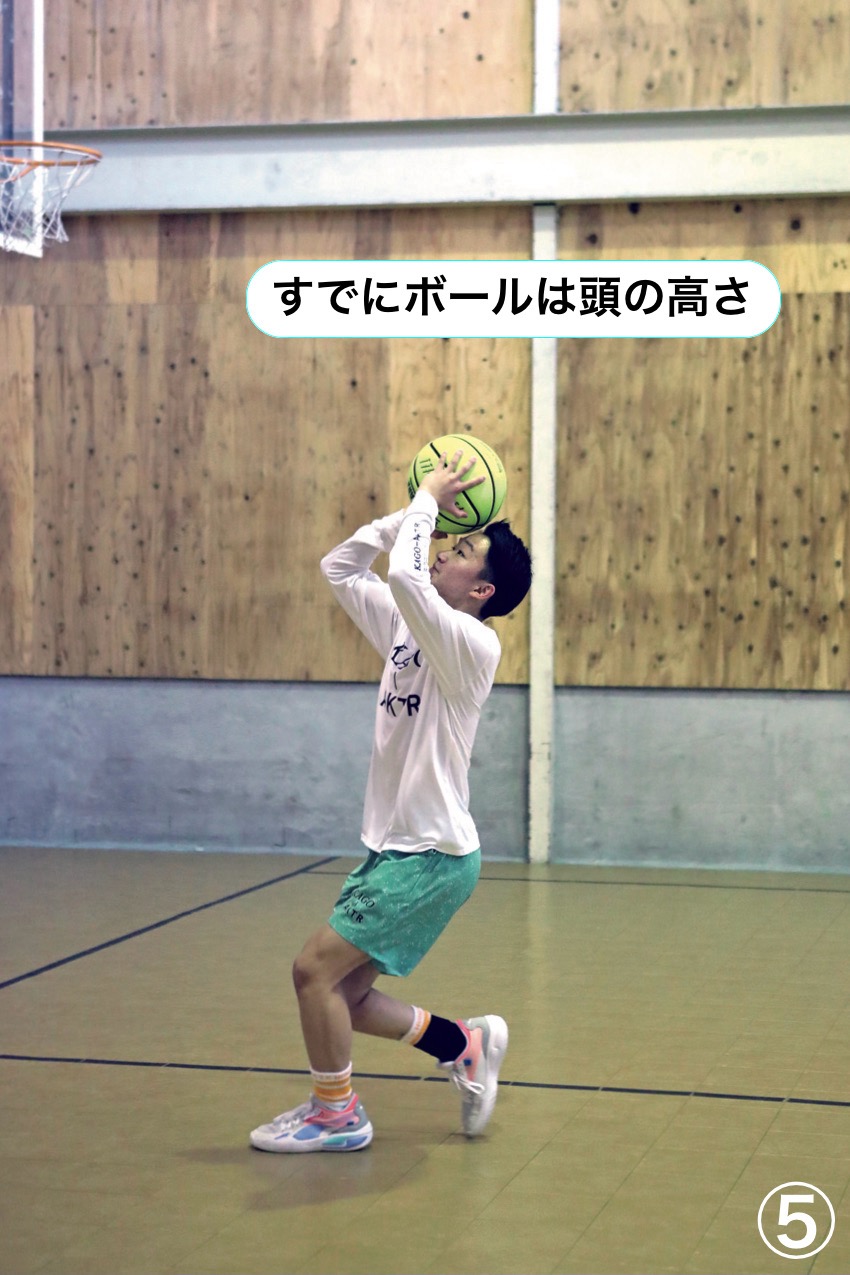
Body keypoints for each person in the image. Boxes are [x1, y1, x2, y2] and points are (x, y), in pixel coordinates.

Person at [250, 451, 532, 1153]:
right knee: (343, 996)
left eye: (461, 551)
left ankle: (337, 1115)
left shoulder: (472, 643)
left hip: (431, 854)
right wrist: (402, 517)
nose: (444, 549)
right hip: (399, 848)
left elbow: (405, 576)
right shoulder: (412, 625)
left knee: (313, 972)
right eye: (448, 541)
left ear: (483, 589)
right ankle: (462, 1044)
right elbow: (340, 569)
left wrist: (429, 499)